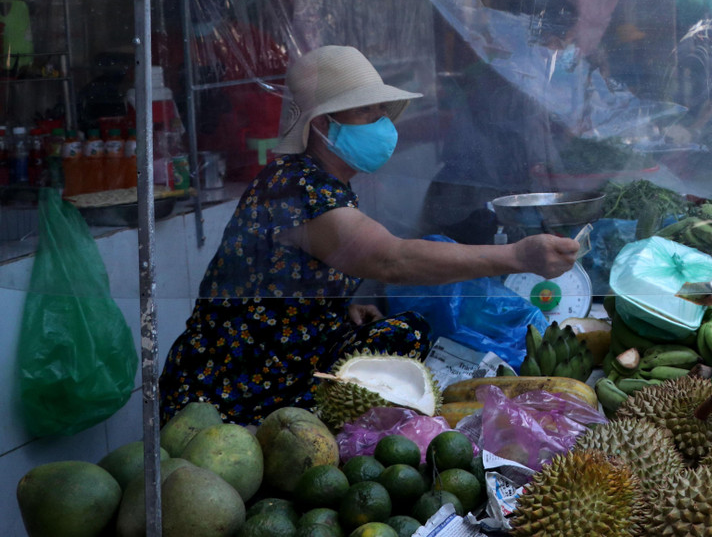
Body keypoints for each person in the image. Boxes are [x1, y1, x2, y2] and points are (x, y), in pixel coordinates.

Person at [160, 45, 580, 423]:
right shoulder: (297, 186)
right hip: (233, 384)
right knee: (404, 339)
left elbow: (282, 280)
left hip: (286, 353)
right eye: (367, 113)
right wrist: (518, 257)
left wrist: (333, 311)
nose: (381, 124)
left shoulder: (319, 183)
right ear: (322, 124)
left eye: (381, 111)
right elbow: (389, 259)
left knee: (403, 333)